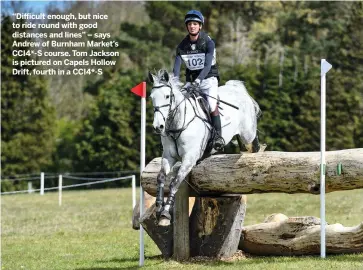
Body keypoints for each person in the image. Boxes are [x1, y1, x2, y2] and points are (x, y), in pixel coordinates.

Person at [173, 10, 224, 151]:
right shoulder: (182, 46)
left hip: (208, 79)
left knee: (212, 104)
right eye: (189, 24)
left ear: (200, 26)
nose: (192, 26)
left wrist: (198, 80)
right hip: (191, 80)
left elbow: (207, 65)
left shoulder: (208, 42)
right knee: (177, 102)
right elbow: (176, 69)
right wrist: (174, 84)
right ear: (187, 27)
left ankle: (218, 137)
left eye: (195, 24)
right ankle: (173, 136)